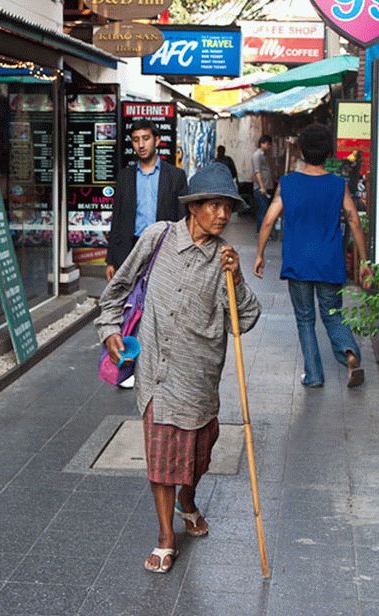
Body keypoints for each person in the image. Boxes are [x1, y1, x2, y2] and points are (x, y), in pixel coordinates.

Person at [96, 163, 261, 574]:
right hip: (157, 374)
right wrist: (109, 327)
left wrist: (236, 278)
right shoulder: (158, 237)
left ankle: (189, 500)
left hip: (199, 376)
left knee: (198, 454)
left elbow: (248, 318)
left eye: (227, 207)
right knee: (162, 457)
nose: (222, 215)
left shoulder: (223, 260)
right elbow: (117, 289)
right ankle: (166, 536)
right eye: (213, 205)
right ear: (193, 207)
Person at [254, 124, 372, 389]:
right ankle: (349, 354)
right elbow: (353, 221)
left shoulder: (288, 183)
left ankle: (314, 375)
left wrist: (260, 253)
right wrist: (364, 261)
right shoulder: (337, 185)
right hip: (329, 262)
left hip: (299, 263)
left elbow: (268, 221)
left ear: (302, 152)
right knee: (332, 314)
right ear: (328, 152)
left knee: (305, 319)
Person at [106, 119, 187, 282]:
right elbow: (117, 219)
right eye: (136, 140)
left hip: (163, 247)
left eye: (146, 138)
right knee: (130, 301)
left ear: (157, 140)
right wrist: (111, 260)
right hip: (130, 248)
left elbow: (183, 220)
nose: (141, 145)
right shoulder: (125, 177)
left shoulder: (175, 176)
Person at [251, 135, 274, 233]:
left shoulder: (264, 155)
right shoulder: (257, 155)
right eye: (268, 144)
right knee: (263, 210)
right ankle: (261, 231)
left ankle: (261, 231)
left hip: (266, 186)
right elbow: (257, 172)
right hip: (261, 188)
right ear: (262, 143)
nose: (269, 146)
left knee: (263, 210)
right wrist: (262, 187)